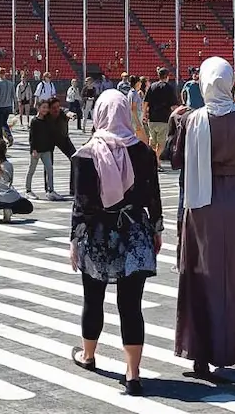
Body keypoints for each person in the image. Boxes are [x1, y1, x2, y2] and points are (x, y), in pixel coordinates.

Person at [172, 56, 235, 377]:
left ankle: (201, 355)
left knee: (200, 275)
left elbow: (176, 160)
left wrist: (175, 122)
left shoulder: (193, 119)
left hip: (202, 201)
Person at [69, 90, 162, 396]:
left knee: (92, 299)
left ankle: (89, 355)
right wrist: (157, 230)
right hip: (135, 234)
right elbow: (154, 198)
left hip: (97, 236)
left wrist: (74, 240)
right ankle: (133, 373)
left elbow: (81, 205)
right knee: (131, 306)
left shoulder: (85, 154)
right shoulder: (145, 152)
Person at [26, 96, 74, 199]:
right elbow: (32, 135)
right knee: (37, 168)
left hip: (58, 142)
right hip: (43, 146)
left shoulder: (60, 112)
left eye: (57, 107)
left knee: (71, 160)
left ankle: (59, 190)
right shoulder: (40, 118)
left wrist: (70, 114)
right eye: (52, 108)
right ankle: (35, 190)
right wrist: (33, 149)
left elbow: (66, 111)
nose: (55, 109)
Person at [143, 67, 179, 161]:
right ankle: (155, 159)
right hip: (164, 118)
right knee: (162, 143)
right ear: (167, 76)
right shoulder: (169, 88)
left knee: (152, 140)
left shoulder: (152, 86)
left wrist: (143, 115)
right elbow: (173, 106)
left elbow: (145, 102)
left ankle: (153, 159)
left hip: (152, 118)